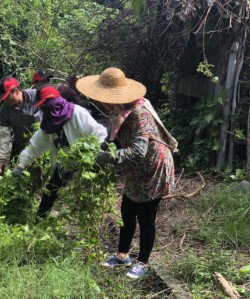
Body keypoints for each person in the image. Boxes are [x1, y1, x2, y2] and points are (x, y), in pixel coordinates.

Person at [76, 67, 177, 279]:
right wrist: (99, 148)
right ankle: (122, 255)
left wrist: (107, 157)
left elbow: (139, 151)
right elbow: (115, 138)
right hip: (134, 170)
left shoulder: (140, 114)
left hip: (152, 168)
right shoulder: (119, 111)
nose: (101, 102)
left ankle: (144, 262)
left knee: (146, 217)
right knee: (127, 211)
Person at [11, 85, 107, 218]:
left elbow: (97, 132)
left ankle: (87, 224)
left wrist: (99, 150)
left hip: (84, 163)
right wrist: (21, 165)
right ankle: (40, 220)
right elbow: (36, 145)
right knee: (50, 191)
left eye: (44, 105)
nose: (43, 109)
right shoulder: (49, 122)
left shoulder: (77, 113)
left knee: (84, 196)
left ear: (52, 102)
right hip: (65, 163)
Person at [0, 75, 40, 175]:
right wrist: (1, 159)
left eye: (7, 97)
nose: (5, 100)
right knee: (14, 175)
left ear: (15, 91)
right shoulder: (5, 109)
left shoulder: (38, 96)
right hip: (20, 144)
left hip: (41, 144)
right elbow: (4, 135)